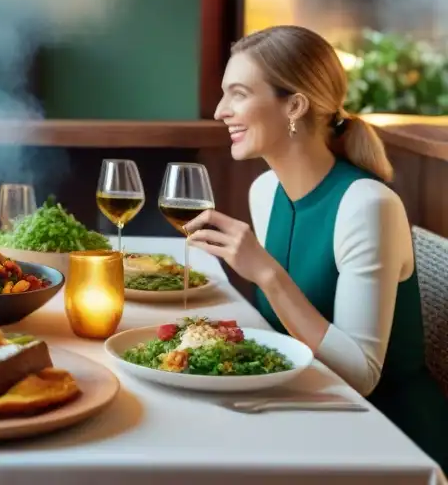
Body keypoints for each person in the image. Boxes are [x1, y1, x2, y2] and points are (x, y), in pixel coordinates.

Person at [189, 24, 446, 471]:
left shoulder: (368, 205)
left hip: (385, 438)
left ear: (294, 105)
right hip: (299, 410)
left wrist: (266, 273)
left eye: (239, 94)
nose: (219, 111)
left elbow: (361, 376)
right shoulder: (265, 191)